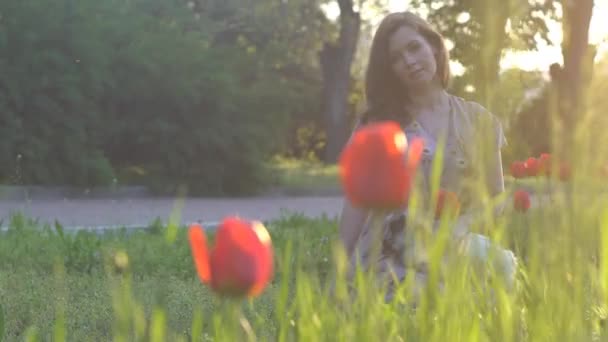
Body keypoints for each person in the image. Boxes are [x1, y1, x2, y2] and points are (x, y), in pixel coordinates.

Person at [337, 11, 515, 302]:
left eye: (414, 47)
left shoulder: (480, 121)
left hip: (455, 244)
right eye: (396, 58)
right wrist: (339, 272)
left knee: (499, 273)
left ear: (433, 46)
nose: (408, 61)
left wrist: (459, 227)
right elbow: (356, 203)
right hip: (390, 254)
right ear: (389, 69)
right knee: (436, 301)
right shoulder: (378, 125)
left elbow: (496, 198)